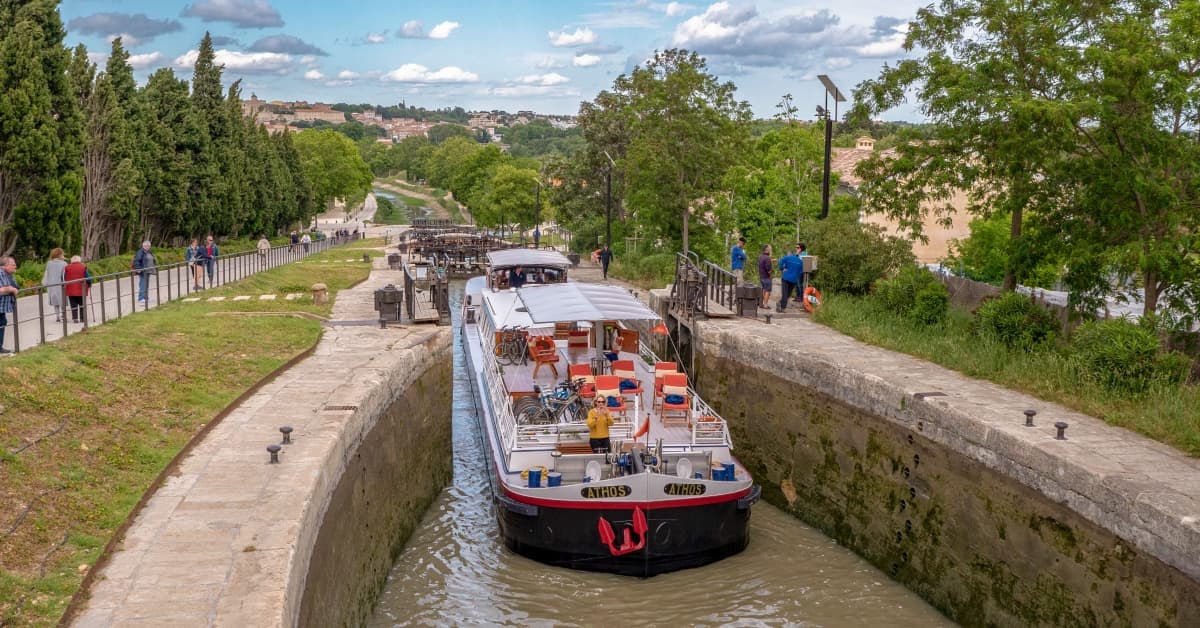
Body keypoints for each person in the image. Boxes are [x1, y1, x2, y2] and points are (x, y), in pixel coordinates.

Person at [42, 248, 67, 322]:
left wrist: (45, 283)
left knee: (55, 301)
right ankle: (63, 315)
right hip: (61, 284)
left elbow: (46, 273)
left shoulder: (49, 263)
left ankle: (57, 316)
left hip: (51, 285)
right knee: (62, 300)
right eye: (62, 254)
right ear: (59, 255)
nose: (63, 255)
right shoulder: (64, 263)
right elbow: (65, 274)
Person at [777, 244, 804, 313]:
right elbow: (801, 271)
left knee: (785, 294)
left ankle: (781, 306)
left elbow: (780, 261)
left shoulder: (788, 258)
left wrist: (782, 268)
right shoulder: (800, 261)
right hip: (793, 280)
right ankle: (781, 306)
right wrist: (796, 274)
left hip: (786, 278)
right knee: (788, 294)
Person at [63, 255, 90, 324]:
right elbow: (87, 277)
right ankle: (82, 318)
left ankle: (75, 318)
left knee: (73, 305)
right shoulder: (83, 267)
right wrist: (89, 284)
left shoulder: (67, 267)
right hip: (82, 289)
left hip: (70, 289)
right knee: (82, 304)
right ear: (79, 260)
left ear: (71, 261)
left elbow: (65, 277)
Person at [0, 256, 18, 354]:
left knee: (2, 323)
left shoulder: (9, 274)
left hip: (2, 307)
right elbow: (4, 288)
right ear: (5, 265)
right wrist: (12, 289)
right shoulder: (1, 272)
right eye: (13, 264)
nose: (15, 266)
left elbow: (15, 286)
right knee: (1, 323)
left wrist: (12, 288)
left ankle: (0, 347)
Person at [757, 244, 773, 309]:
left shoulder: (761, 256)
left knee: (764, 289)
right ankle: (765, 304)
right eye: (770, 249)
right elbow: (768, 269)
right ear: (767, 250)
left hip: (761, 276)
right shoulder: (767, 258)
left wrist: (771, 260)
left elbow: (763, 263)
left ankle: (762, 303)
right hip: (766, 277)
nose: (771, 250)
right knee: (768, 291)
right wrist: (771, 274)